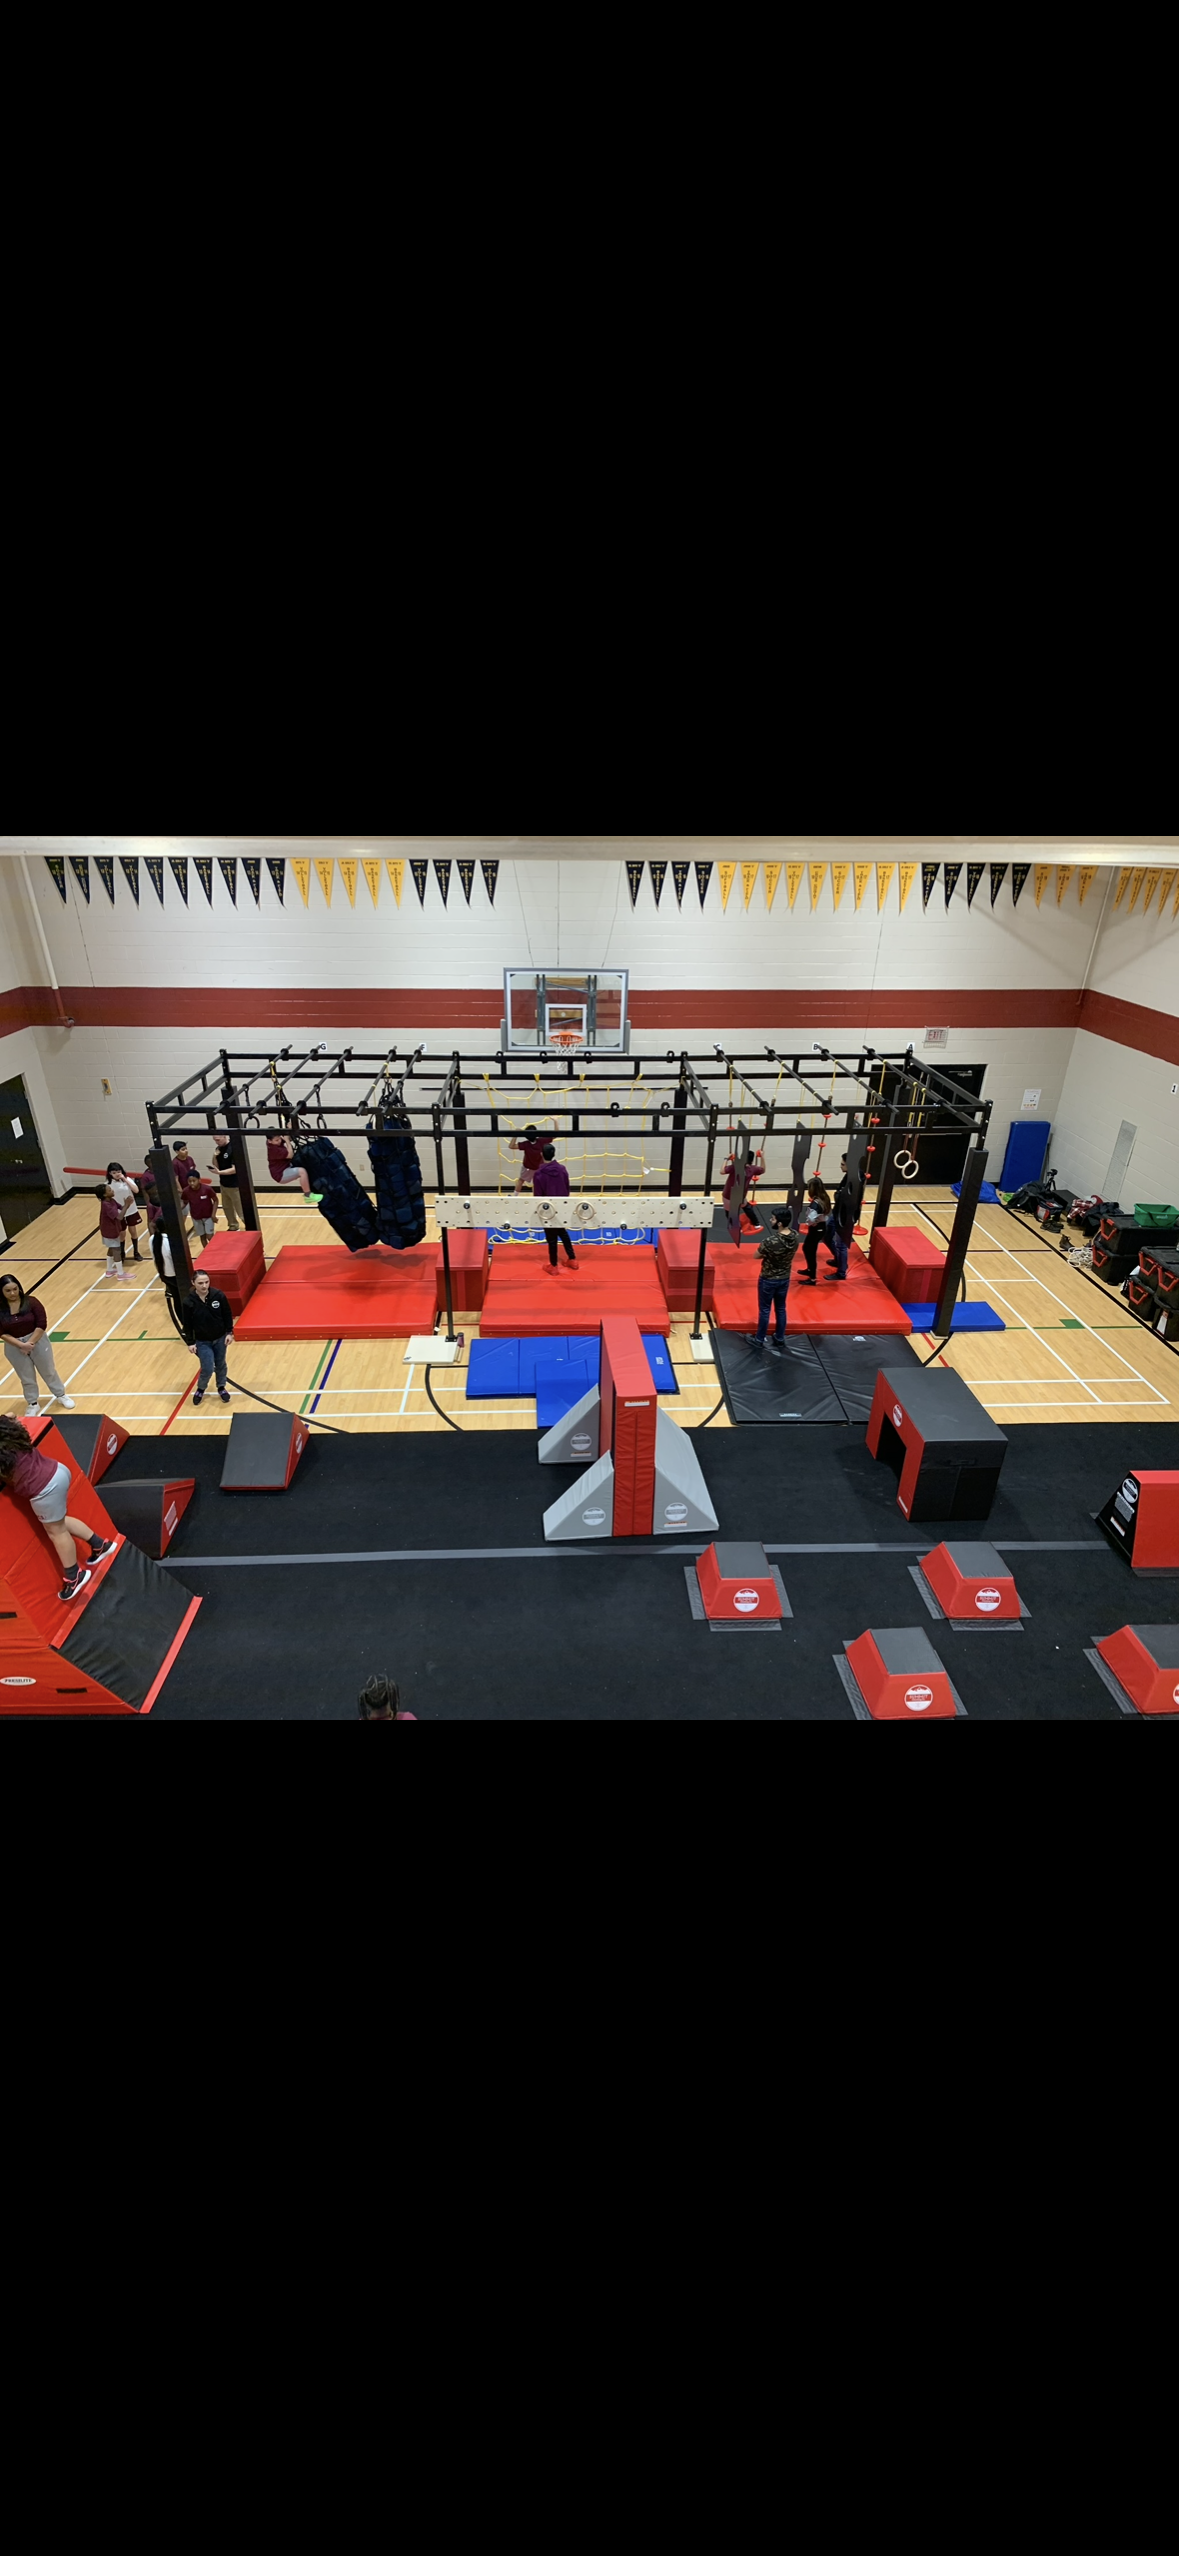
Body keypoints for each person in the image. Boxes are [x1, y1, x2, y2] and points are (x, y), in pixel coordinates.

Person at [0, 1415, 116, 1604]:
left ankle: (74, 1576)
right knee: (59, 1521)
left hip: (44, 1488)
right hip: (57, 1471)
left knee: (57, 1533)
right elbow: (12, 1415)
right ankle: (100, 1545)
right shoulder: (6, 1428)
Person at [0, 1276, 76, 1416]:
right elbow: (1, 1332)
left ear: (19, 1288)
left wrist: (30, 1343)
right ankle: (32, 1403)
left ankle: (61, 1395)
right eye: (8, 1291)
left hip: (37, 1340)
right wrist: (21, 1345)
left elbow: (41, 1324)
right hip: (14, 1345)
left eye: (15, 1289)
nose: (12, 1293)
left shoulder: (32, 1302)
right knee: (26, 1377)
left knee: (48, 1370)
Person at [181, 1269, 235, 1406]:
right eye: (200, 1283)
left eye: (206, 1282)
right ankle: (201, 1388)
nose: (204, 1286)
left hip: (220, 1338)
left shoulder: (218, 1295)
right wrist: (190, 1342)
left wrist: (229, 1332)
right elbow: (187, 1324)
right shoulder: (188, 1302)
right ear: (193, 1283)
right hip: (202, 1341)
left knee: (221, 1364)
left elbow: (227, 1314)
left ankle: (221, 1387)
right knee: (207, 1367)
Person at [746, 1213, 799, 1350]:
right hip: (784, 1277)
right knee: (781, 1308)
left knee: (765, 1309)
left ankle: (759, 1339)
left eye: (773, 1218)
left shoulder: (770, 1241)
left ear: (779, 1223)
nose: (771, 1220)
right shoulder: (795, 1236)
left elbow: (756, 1255)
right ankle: (780, 1337)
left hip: (768, 1278)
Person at [533, 1145, 578, 1275]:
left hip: (548, 1208)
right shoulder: (562, 1169)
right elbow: (567, 1188)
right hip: (562, 1206)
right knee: (562, 1232)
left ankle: (553, 1265)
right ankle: (572, 1259)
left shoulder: (539, 1174)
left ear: (541, 1154)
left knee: (551, 1238)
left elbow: (538, 1196)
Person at [826, 1156, 857, 1282]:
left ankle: (841, 1272)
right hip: (837, 1212)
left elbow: (847, 1199)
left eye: (843, 1164)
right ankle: (838, 1260)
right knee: (826, 1235)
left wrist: (838, 1194)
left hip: (845, 1217)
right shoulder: (847, 1177)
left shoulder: (854, 1180)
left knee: (841, 1245)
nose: (840, 1166)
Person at [796, 1178, 832, 1286]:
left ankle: (812, 1278)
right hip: (821, 1227)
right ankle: (810, 1270)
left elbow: (811, 1219)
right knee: (808, 1248)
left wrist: (812, 1223)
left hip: (816, 1229)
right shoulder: (824, 1198)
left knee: (809, 1251)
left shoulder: (815, 1204)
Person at [107, 1161, 144, 1264]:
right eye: (114, 1172)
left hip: (131, 1210)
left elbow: (136, 1190)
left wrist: (124, 1179)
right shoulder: (108, 1185)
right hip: (120, 1212)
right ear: (110, 1173)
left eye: (118, 1171)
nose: (117, 1174)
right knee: (122, 1234)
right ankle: (122, 1253)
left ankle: (136, 1252)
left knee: (133, 1231)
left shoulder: (127, 1179)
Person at [97, 1182, 128, 1282]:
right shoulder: (106, 1205)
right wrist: (127, 1205)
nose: (112, 1190)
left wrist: (125, 1205)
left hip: (113, 1229)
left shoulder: (111, 1200)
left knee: (111, 1248)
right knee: (116, 1250)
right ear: (104, 1194)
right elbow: (119, 1217)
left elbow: (121, 1208)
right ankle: (120, 1274)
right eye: (109, 1190)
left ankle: (109, 1270)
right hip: (109, 1231)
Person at [211, 1137, 243, 1230]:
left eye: (218, 1140)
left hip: (235, 1185)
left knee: (240, 1210)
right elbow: (216, 1166)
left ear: (224, 1136)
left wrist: (219, 1172)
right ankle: (233, 1226)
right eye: (215, 1140)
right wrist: (214, 1156)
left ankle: (251, 1227)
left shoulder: (233, 1148)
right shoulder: (218, 1149)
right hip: (224, 1184)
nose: (216, 1142)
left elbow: (235, 1169)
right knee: (227, 1207)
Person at [185, 1170, 221, 1248]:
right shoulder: (186, 1191)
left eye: (194, 1181)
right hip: (196, 1217)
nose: (192, 1183)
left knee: (210, 1236)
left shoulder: (207, 1189)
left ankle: (215, 1250)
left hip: (208, 1216)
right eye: (189, 1181)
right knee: (202, 1237)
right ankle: (207, 1252)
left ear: (199, 1180)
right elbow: (184, 1202)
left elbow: (215, 1200)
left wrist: (213, 1215)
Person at [511, 1125, 548, 1194]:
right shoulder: (541, 1141)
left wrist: (515, 1134)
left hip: (528, 1167)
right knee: (536, 1183)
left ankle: (515, 1196)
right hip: (538, 1167)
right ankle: (536, 1197)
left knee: (521, 1180)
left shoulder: (526, 1144)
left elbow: (511, 1146)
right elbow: (555, 1135)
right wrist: (555, 1121)